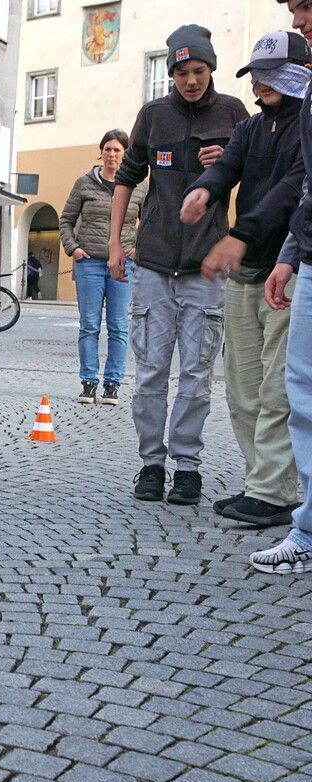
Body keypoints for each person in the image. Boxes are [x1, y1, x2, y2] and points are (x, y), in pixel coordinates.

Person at [109, 24, 249, 505]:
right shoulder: (153, 115)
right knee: (150, 372)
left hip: (204, 267)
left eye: (200, 70)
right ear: (170, 73)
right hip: (151, 263)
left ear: (211, 69)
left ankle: (187, 467)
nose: (191, 80)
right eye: (182, 72)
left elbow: (256, 179)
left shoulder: (233, 112)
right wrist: (115, 244)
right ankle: (151, 463)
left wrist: (230, 161)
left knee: (195, 374)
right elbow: (126, 180)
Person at [181, 30, 309, 529]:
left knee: (279, 387)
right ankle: (264, 481)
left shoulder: (307, 125)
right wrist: (205, 189)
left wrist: (239, 233)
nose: (261, 84)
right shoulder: (252, 128)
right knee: (242, 387)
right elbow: (228, 166)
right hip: (247, 269)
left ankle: (275, 492)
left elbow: (292, 189)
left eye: (272, 75)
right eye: (257, 75)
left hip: (289, 264)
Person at [250, 0, 312, 573]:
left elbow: (295, 182)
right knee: (301, 393)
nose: (299, 20)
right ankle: (308, 531)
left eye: (306, 7)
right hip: (305, 260)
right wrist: (292, 256)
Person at [59, 129, 147, 405]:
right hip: (90, 263)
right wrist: (74, 249)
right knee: (89, 325)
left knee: (119, 325)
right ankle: (88, 383)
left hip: (123, 263)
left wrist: (138, 247)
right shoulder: (84, 183)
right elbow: (66, 220)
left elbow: (151, 220)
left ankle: (112, 384)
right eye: (107, 149)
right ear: (101, 152)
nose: (111, 154)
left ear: (125, 154)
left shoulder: (139, 186)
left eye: (117, 150)